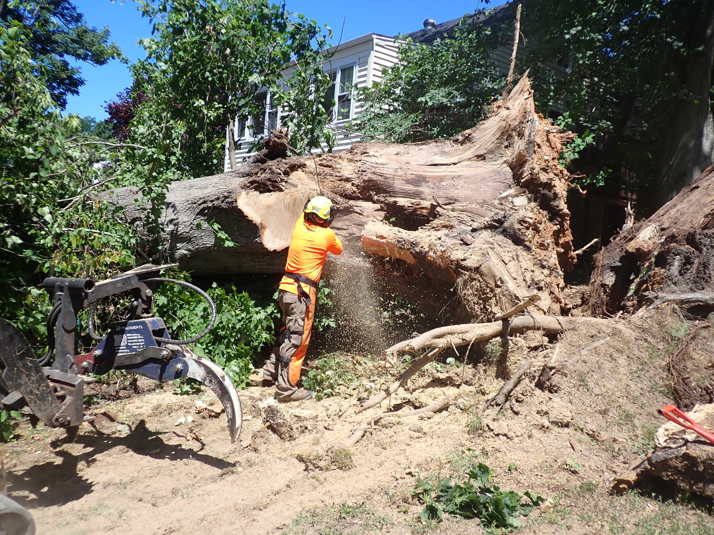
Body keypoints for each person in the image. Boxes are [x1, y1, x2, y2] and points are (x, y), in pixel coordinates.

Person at [261, 196, 342, 402]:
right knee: (297, 340)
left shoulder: (298, 226)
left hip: (285, 290)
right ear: (326, 219)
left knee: (286, 332)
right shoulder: (326, 235)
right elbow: (339, 250)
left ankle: (270, 373)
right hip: (302, 294)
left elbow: (303, 211)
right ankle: (286, 390)